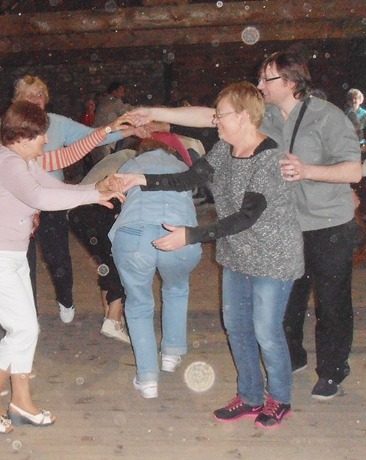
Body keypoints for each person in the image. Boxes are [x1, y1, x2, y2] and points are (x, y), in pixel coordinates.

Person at [130, 51, 362, 401]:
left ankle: (331, 371)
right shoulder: (262, 115)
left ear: (291, 81)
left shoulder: (327, 117)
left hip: (327, 223)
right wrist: (156, 113)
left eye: (267, 78)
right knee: (288, 304)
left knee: (331, 303)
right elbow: (210, 116)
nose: (259, 84)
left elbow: (354, 171)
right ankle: (291, 358)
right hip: (286, 226)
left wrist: (309, 171)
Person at [125, 82, 304, 427]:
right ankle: (250, 397)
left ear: (243, 116)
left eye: (220, 115)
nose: (215, 120)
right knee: (236, 327)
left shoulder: (270, 158)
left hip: (273, 257)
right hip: (237, 254)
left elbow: (245, 217)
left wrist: (190, 235)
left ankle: (279, 399)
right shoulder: (225, 149)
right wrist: (139, 180)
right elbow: (187, 179)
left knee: (266, 331)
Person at [0, 100, 125, 433]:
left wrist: (96, 190)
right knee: (22, 329)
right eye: (42, 136)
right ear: (23, 136)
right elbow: (41, 199)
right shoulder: (6, 162)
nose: (47, 141)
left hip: (10, 254)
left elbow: (53, 187)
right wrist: (92, 195)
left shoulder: (20, 160)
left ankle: (21, 401)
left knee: (26, 328)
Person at [0, 75, 139, 324]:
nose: (48, 140)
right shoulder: (9, 156)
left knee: (55, 257)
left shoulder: (29, 158)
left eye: (40, 95)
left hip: (29, 220)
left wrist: (96, 190)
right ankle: (26, 318)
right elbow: (39, 190)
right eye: (30, 95)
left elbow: (66, 160)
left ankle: (59, 302)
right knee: (8, 308)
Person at [109, 134, 202, 399]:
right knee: (176, 288)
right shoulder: (182, 166)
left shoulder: (131, 165)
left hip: (135, 233)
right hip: (180, 235)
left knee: (139, 304)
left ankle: (148, 378)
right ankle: (171, 353)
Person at [345, 88, 366, 156]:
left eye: (355, 98)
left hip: (361, 145)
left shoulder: (365, 115)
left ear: (360, 100)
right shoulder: (344, 114)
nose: (353, 101)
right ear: (348, 101)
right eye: (351, 99)